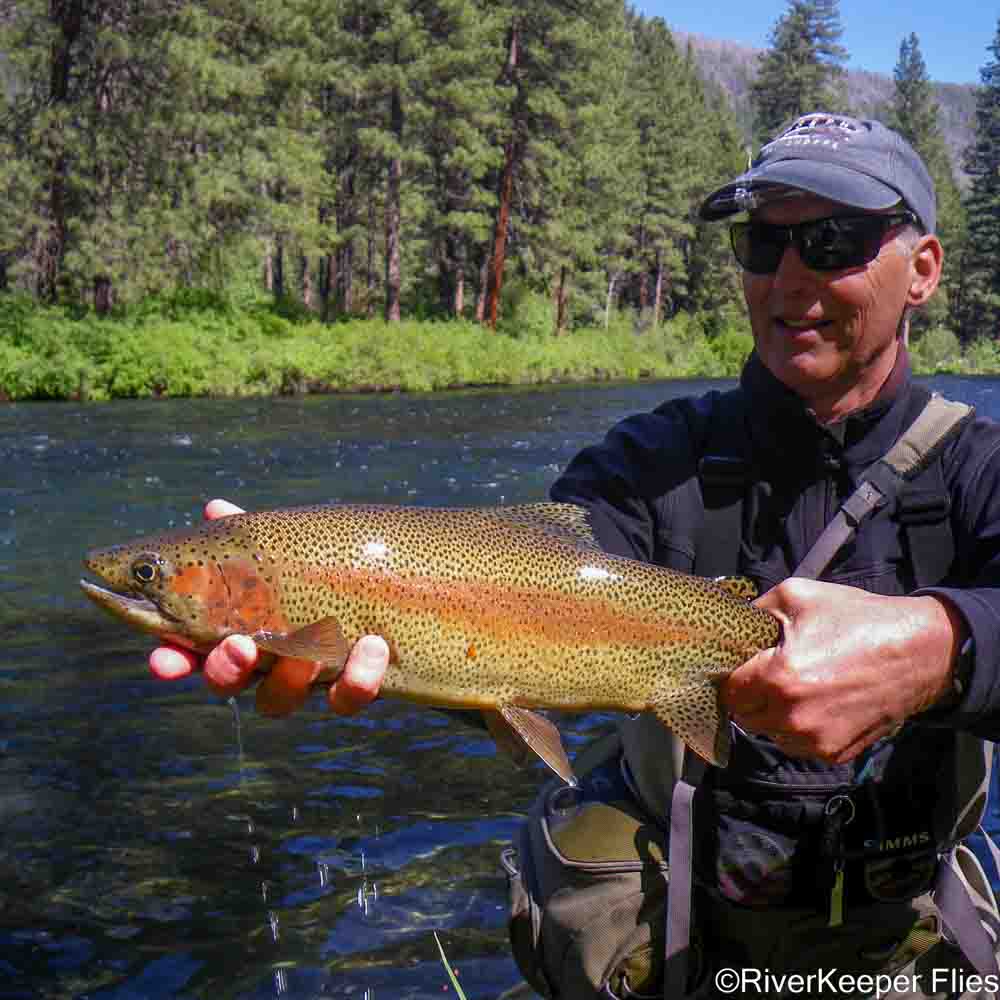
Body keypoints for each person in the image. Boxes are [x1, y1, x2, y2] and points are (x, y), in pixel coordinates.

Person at [151, 113, 1000, 998]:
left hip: (905, 943)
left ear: (924, 271)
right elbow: (514, 612)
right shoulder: (648, 465)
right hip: (678, 938)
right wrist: (324, 614)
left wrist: (944, 646)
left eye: (833, 240)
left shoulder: (979, 470)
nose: (789, 276)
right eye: (763, 242)